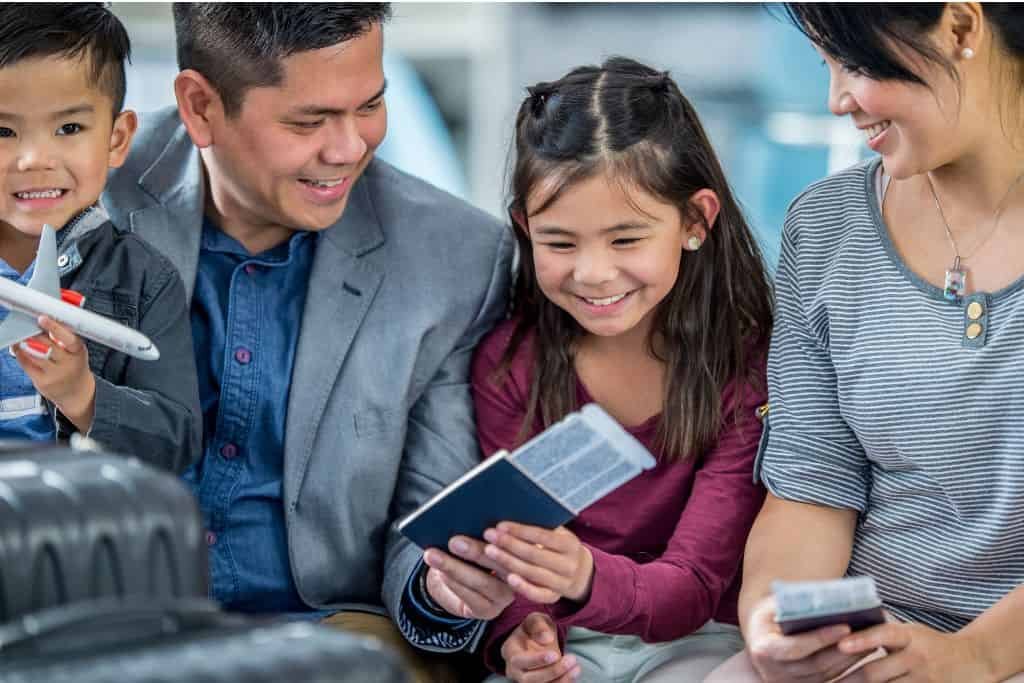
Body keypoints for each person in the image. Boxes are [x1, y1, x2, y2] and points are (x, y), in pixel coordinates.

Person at [101, 4, 514, 681]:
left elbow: (430, 516)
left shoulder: (458, 261)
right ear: (200, 106)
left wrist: (443, 589)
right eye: (310, 120)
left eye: (371, 105)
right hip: (112, 626)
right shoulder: (82, 194)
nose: (349, 146)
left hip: (330, 633)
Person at [705, 4, 1024, 682]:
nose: (837, 99)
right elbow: (811, 488)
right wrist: (774, 621)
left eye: (852, 62)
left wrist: (975, 656)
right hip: (878, 648)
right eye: (824, 63)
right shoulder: (824, 229)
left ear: (961, 28)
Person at [433, 56, 773, 682]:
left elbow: (694, 585)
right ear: (524, 229)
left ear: (695, 221)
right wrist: (522, 634)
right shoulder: (511, 364)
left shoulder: (746, 368)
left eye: (625, 240)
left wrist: (585, 574)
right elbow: (513, 549)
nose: (592, 273)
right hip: (572, 643)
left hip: (700, 641)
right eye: (559, 243)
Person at [0, 3, 199, 472]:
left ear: (116, 139)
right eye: (3, 130)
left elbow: (179, 443)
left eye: (69, 128)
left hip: (68, 527)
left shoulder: (144, 280)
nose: (35, 159)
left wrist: (82, 395)